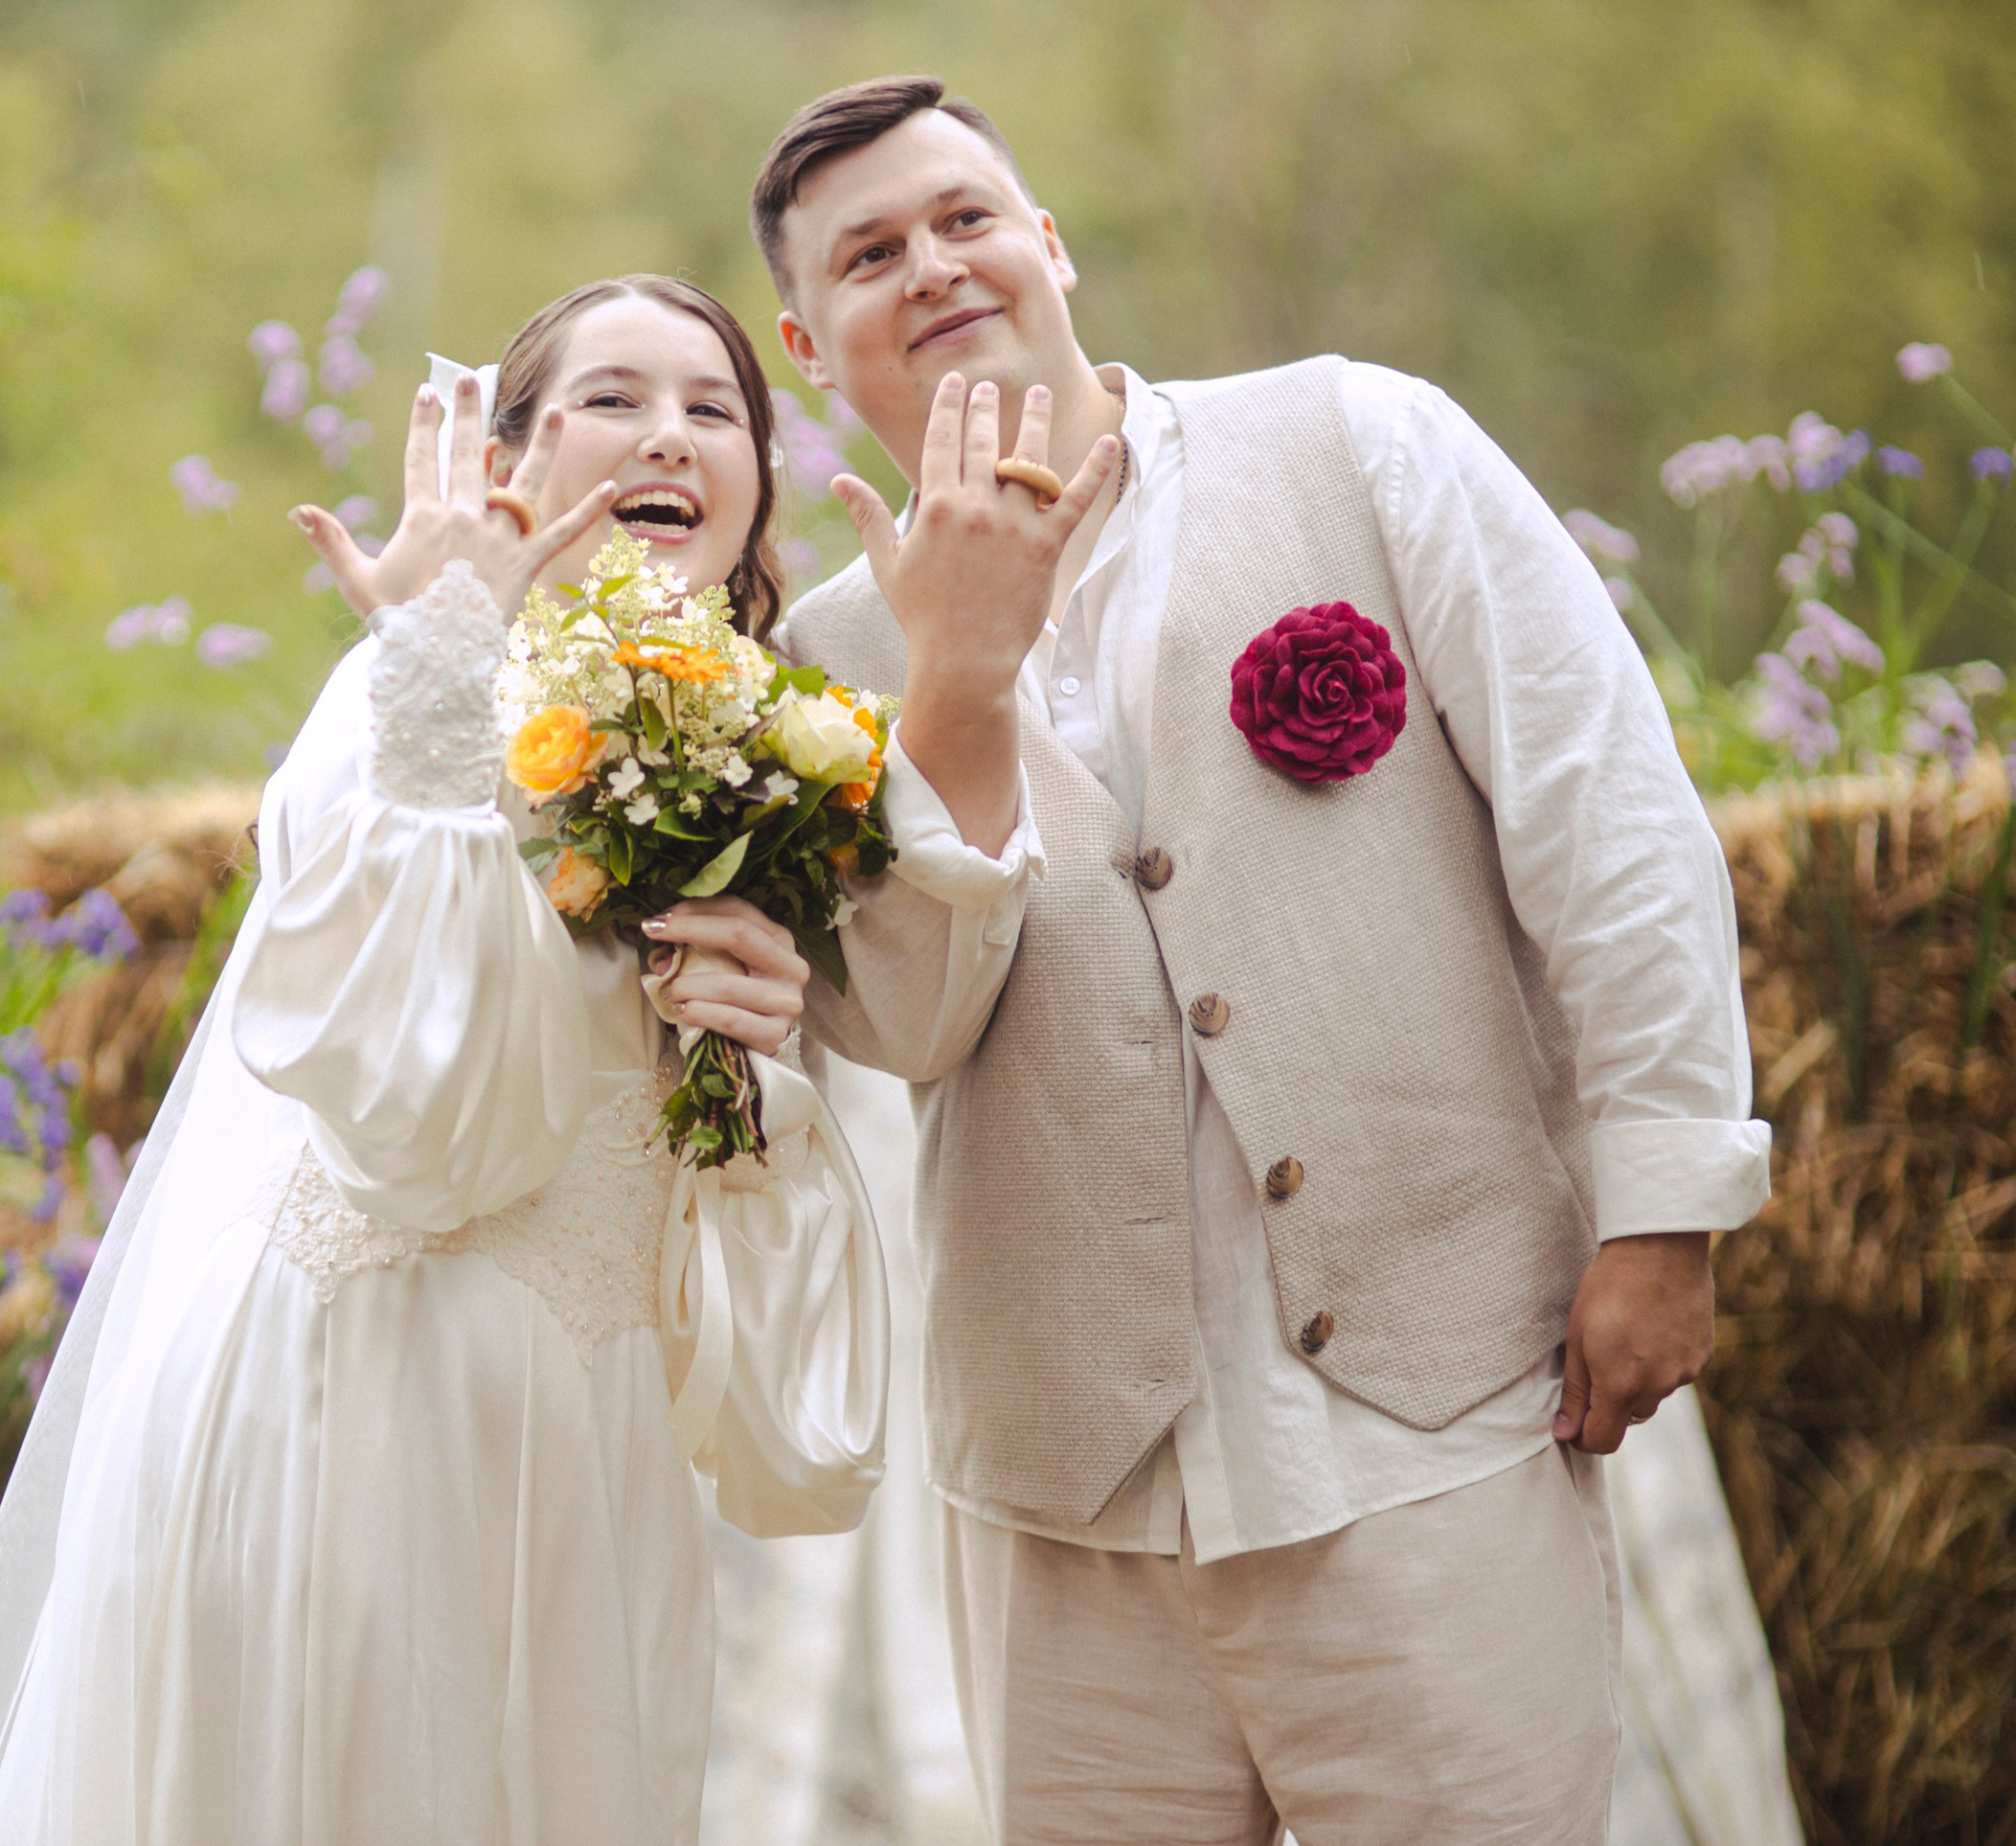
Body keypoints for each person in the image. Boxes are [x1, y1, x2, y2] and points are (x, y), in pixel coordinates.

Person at [751, 76, 1773, 1844]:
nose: (930, 266)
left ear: (1047, 240)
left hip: (1441, 1424)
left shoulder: (1362, 444)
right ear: (806, 343)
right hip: (1068, 1502)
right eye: (869, 255)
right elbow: (904, 1028)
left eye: (963, 217)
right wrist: (957, 682)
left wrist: (1665, 1210)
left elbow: (1608, 820)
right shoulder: (821, 657)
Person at [0, 275, 888, 1846]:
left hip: (585, 1442)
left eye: (715, 407)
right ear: (505, 468)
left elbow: (738, 1279)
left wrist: (752, 1068)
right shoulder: (407, 694)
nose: (671, 435)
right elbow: (420, 1131)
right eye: (610, 400)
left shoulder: (759, 762)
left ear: (758, 481)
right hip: (356, 1403)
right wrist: (434, 661)